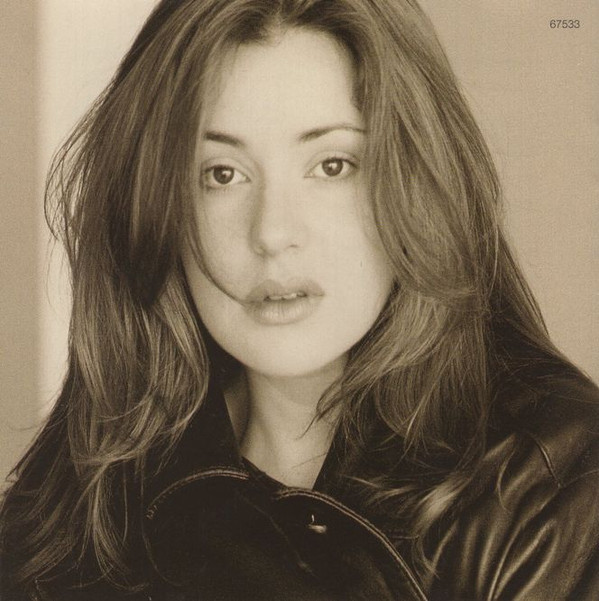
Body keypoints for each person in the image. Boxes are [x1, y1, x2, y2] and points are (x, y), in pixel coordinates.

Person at [1, 0, 598, 599]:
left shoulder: (552, 483)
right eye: (221, 174)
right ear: (157, 208)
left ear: (419, 181)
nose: (272, 232)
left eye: (332, 165)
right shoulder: (82, 495)